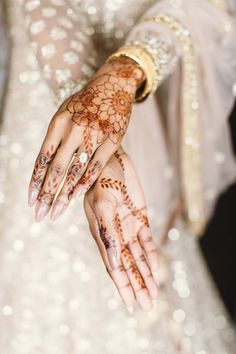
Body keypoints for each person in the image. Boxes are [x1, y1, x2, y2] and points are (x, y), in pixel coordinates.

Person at [0, 0, 235, 353]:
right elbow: (44, 7)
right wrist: (91, 122)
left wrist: (126, 73)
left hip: (139, 114)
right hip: (46, 111)